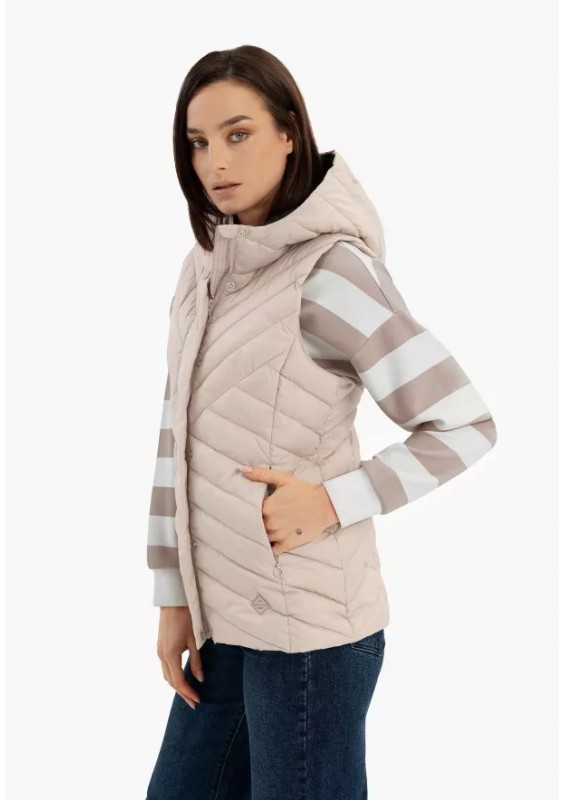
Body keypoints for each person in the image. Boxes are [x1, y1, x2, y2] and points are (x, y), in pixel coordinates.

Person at [145, 45, 497, 800]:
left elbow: (464, 423)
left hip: (310, 639)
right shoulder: (203, 270)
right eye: (198, 142)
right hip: (222, 627)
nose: (215, 161)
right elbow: (175, 440)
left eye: (239, 134)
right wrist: (173, 597)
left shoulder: (332, 272)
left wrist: (335, 500)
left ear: (289, 134)